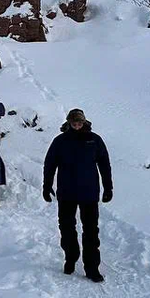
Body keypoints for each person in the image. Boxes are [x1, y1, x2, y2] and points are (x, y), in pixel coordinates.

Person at [42, 108, 113, 282]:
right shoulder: (60, 141)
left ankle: (92, 268)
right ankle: (71, 257)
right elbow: (50, 164)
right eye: (74, 122)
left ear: (84, 122)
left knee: (91, 231)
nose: (77, 125)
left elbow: (104, 164)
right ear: (69, 122)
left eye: (79, 122)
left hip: (89, 193)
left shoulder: (94, 140)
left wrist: (108, 188)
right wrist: (47, 185)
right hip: (66, 193)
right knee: (66, 228)